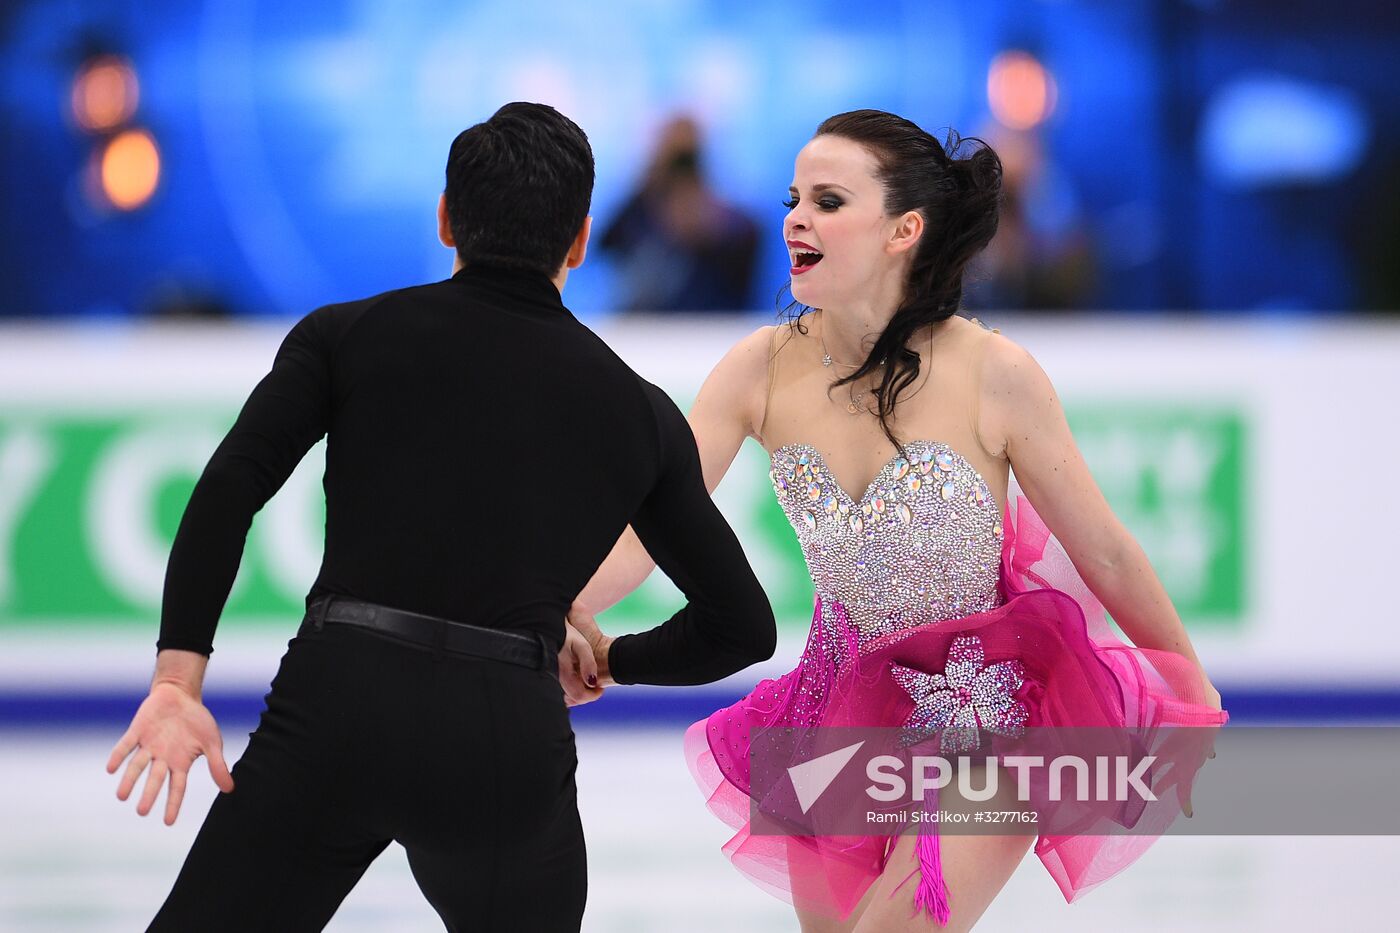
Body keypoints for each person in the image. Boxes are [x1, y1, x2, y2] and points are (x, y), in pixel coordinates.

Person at [105, 102, 776, 933]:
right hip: (501, 733)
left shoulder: (344, 336)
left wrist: (178, 679)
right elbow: (741, 625)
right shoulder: (636, 411)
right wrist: (609, 659)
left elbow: (228, 487)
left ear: (446, 219)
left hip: (337, 705)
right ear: (578, 241)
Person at [566, 110, 1227, 932]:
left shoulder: (997, 372)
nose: (795, 219)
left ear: (903, 230)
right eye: (793, 197)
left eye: (829, 201)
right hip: (831, 717)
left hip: (984, 713)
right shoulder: (757, 370)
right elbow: (654, 528)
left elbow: (1105, 550)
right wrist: (563, 609)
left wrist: (1190, 684)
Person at [599, 115, 760, 312]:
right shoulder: (642, 209)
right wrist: (649, 186)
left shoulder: (728, 222)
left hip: (712, 324)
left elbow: (747, 257)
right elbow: (605, 244)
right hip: (646, 327)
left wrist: (710, 231)